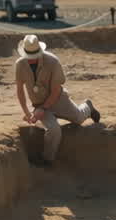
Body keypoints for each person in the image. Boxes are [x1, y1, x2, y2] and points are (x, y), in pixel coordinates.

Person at [15, 34, 100, 166]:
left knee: (78, 118)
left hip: (58, 100)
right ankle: (47, 159)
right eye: (28, 57)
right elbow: (20, 90)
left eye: (34, 56)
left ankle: (88, 107)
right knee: (54, 130)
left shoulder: (53, 62)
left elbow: (56, 90)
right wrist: (27, 112)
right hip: (38, 104)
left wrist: (42, 109)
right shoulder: (20, 64)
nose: (31, 60)